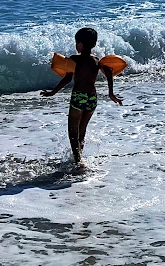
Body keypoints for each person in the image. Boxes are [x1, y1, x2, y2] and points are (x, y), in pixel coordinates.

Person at [41, 27, 123, 166]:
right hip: (92, 98)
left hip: (79, 96)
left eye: (76, 43)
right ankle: (80, 158)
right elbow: (109, 73)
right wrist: (111, 93)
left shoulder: (75, 60)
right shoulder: (97, 61)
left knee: (73, 132)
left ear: (80, 44)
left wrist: (53, 92)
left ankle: (79, 162)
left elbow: (67, 78)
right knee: (82, 130)